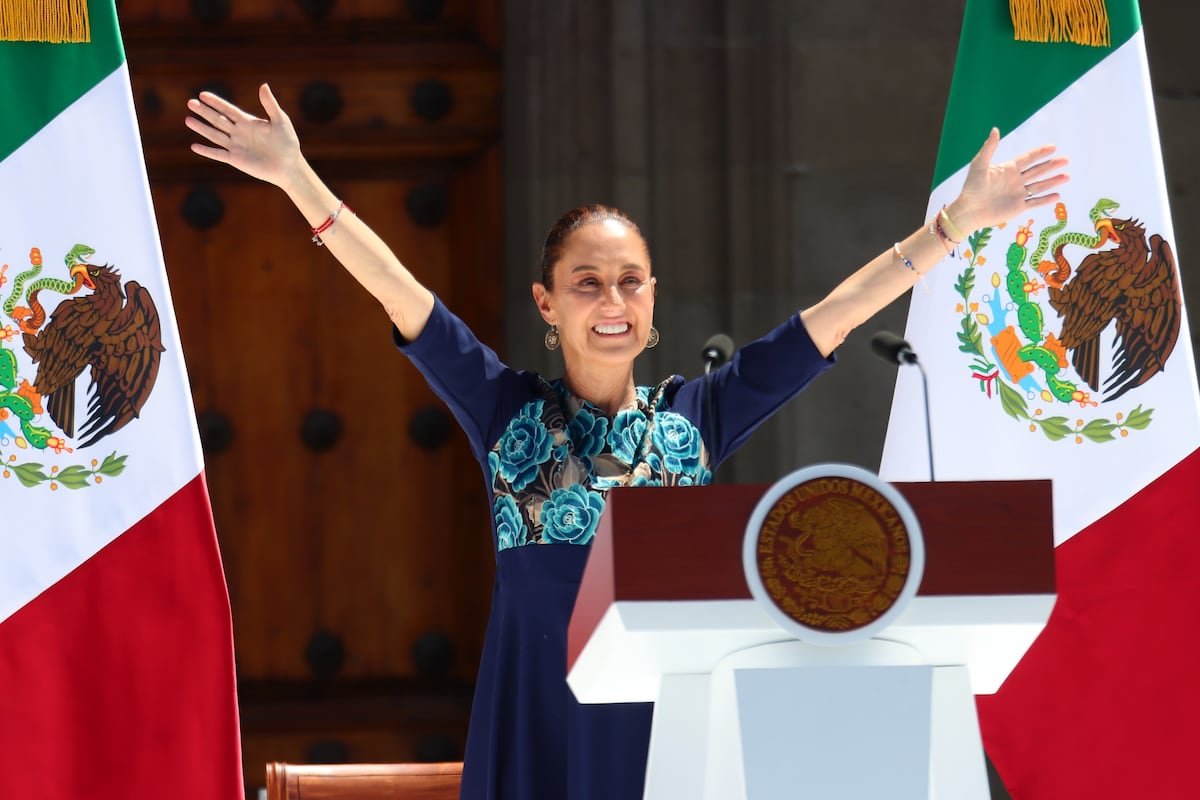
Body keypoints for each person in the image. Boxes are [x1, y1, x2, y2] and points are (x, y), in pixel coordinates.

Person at [186, 83, 1068, 800]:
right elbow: (397, 288)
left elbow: (830, 320)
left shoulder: (696, 421)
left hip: (669, 730)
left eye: (629, 283)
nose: (611, 302)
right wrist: (297, 178)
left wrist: (953, 226)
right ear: (546, 303)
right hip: (536, 717)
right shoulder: (501, 410)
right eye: (586, 283)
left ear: (652, 299)